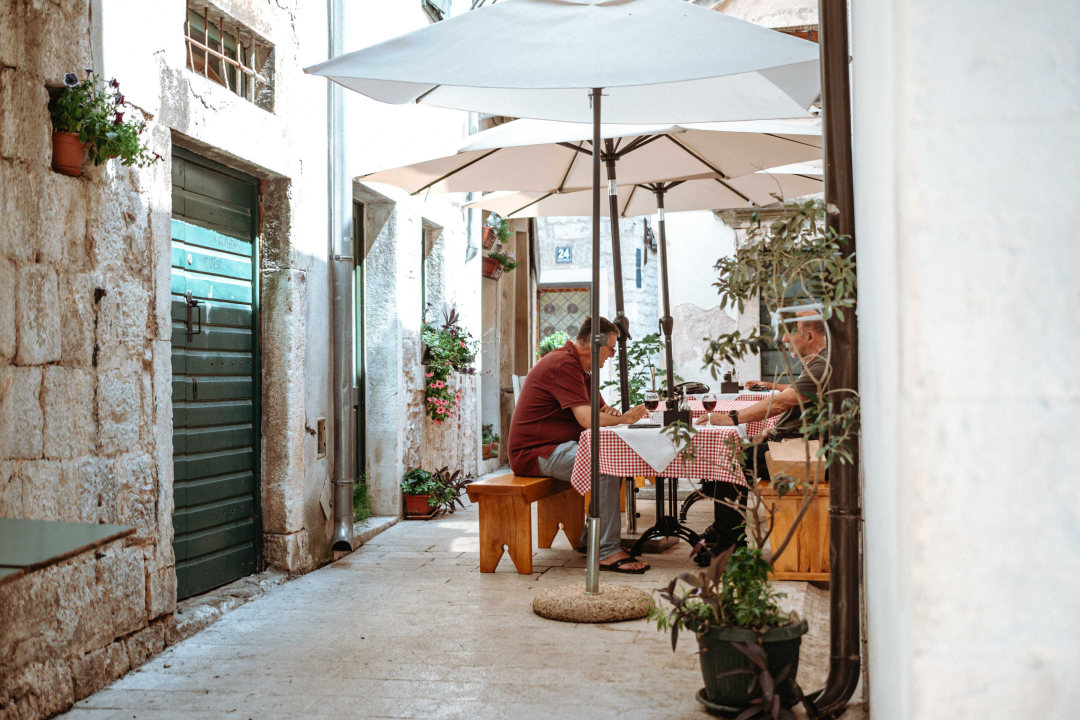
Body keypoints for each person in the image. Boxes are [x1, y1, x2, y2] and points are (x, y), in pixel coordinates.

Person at [508, 316, 650, 573]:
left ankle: (593, 539)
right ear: (596, 343)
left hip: (557, 447)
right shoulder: (563, 364)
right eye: (611, 348)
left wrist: (610, 413)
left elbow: (600, 410)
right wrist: (624, 418)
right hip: (535, 453)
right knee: (605, 463)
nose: (612, 355)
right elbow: (587, 419)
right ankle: (606, 551)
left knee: (608, 459)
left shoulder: (582, 370)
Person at [694, 311, 830, 549]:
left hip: (806, 454)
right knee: (736, 455)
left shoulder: (821, 366)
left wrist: (731, 418)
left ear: (809, 336)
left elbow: (781, 402)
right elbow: (802, 405)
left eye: (790, 333)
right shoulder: (818, 363)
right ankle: (724, 530)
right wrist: (772, 430)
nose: (784, 339)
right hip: (795, 445)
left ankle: (729, 545)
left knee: (730, 459)